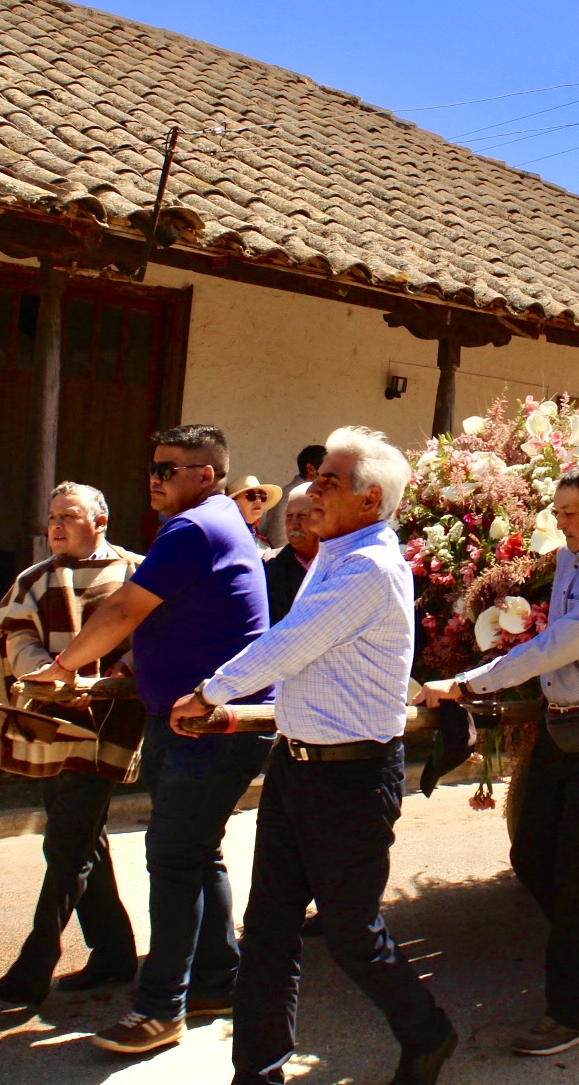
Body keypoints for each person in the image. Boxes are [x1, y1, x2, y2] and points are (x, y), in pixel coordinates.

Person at [170, 427, 457, 1085]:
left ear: (370, 499)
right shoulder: (335, 552)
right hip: (298, 767)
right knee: (269, 929)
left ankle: (429, 1031)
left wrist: (210, 691)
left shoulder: (367, 567)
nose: (312, 489)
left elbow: (289, 644)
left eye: (328, 481)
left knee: (353, 935)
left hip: (352, 778)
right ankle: (259, 1073)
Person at [26, 424, 273, 1055]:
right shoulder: (209, 525)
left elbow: (123, 611)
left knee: (172, 860)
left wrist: (62, 668)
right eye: (153, 467)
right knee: (198, 853)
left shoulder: (196, 528)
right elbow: (175, 622)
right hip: (194, 721)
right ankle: (217, 981)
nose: (155, 477)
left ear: (205, 475)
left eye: (169, 468)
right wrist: (123, 674)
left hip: (208, 726)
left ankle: (160, 1010)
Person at [420, 460, 579, 1056]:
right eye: (558, 512)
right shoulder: (574, 559)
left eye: (570, 514)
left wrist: (471, 683)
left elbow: (557, 644)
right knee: (529, 855)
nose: (561, 523)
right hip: (562, 727)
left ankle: (569, 1013)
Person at [0, 482, 146, 1006]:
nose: (56, 526)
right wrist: (41, 672)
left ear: (100, 522)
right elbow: (11, 634)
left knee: (66, 845)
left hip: (112, 721)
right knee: (81, 838)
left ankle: (34, 963)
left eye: (69, 516)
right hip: (51, 719)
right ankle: (115, 955)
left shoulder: (136, 573)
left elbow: (154, 635)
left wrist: (119, 673)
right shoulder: (35, 578)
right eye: (51, 517)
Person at [263, 484, 317, 624]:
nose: (294, 524)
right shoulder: (270, 563)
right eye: (289, 516)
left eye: (302, 515)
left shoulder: (338, 563)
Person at [259, 444, 326, 549]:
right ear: (311, 469)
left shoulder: (323, 495)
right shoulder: (286, 496)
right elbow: (279, 541)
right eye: (325, 469)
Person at [231, 476, 283, 552]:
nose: (258, 500)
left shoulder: (264, 541)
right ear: (234, 503)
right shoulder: (228, 537)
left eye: (262, 496)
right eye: (251, 496)